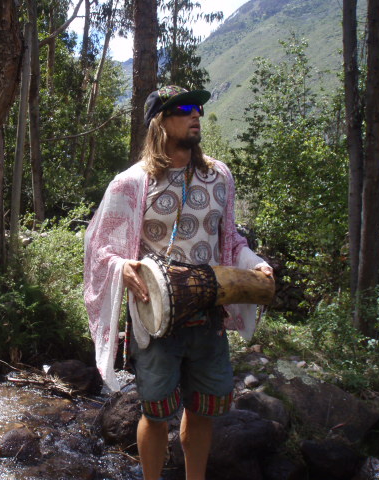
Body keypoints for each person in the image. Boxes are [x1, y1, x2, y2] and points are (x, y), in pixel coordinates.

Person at [83, 85, 273, 480]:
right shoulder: (131, 183)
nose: (196, 114)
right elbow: (100, 246)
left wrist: (256, 264)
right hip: (156, 320)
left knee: (203, 411)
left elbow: (231, 239)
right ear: (160, 121)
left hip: (208, 315)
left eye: (198, 108)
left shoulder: (219, 176)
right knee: (154, 413)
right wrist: (123, 267)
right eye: (185, 108)